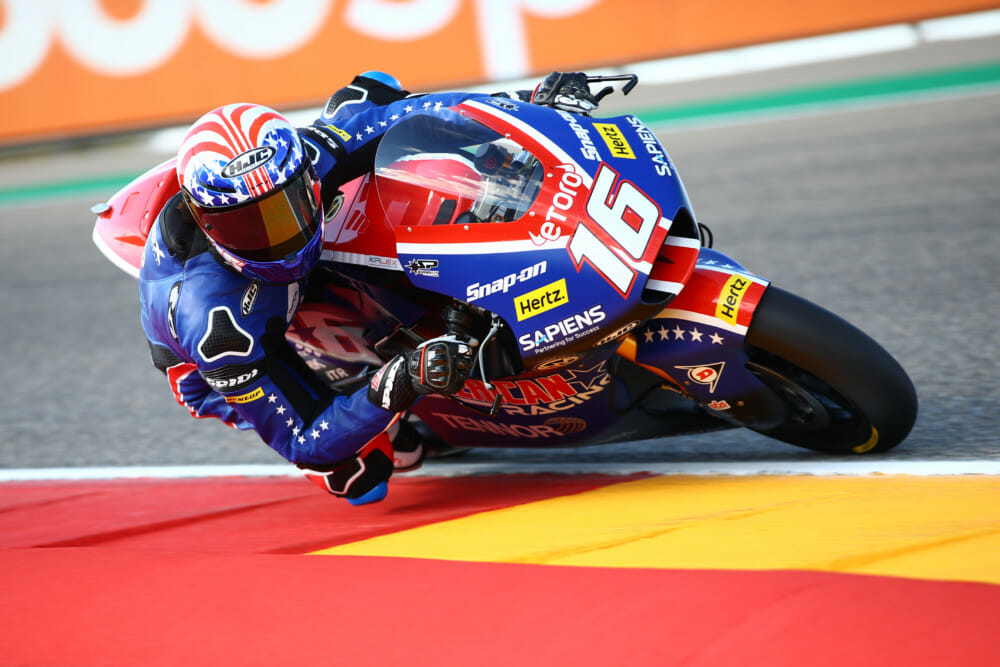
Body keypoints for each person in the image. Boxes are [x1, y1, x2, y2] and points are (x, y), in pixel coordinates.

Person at [138, 71, 599, 505]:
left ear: (305, 177)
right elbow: (304, 440)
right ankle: (385, 398)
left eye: (286, 208)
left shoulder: (299, 159)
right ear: (207, 225)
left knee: (372, 92)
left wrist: (527, 104)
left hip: (298, 278)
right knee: (363, 473)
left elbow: (405, 117)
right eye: (247, 227)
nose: (279, 238)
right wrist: (403, 380)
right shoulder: (217, 330)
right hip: (231, 359)